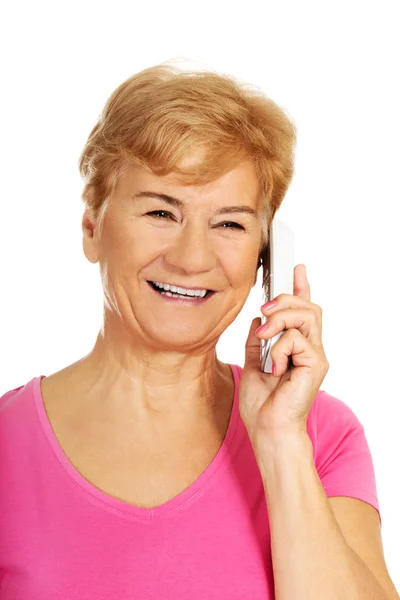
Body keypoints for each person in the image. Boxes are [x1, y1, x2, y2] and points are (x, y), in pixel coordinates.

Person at [1, 63, 398, 600]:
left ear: (265, 256)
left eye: (230, 223)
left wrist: (281, 445)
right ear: (92, 226)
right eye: (162, 212)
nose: (191, 259)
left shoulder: (321, 435)